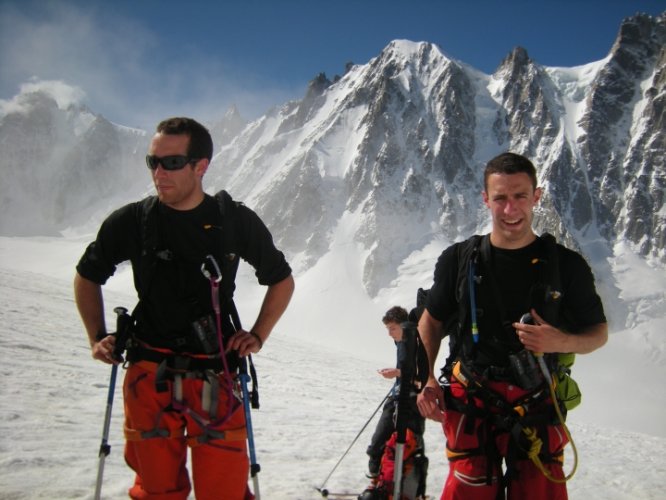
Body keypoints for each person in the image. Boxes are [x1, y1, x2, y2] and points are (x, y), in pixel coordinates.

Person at [74, 117, 295, 500]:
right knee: (157, 490)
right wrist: (96, 337)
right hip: (149, 372)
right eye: (152, 162)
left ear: (200, 166)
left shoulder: (234, 221)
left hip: (214, 370)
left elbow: (281, 279)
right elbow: (87, 275)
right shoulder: (133, 220)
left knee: (223, 491)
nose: (159, 173)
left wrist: (258, 335)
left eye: (171, 163)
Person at [416, 152, 607, 500]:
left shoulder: (567, 266)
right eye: (500, 198)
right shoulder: (459, 259)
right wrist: (426, 377)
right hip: (472, 397)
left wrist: (558, 341)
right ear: (485, 199)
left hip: (537, 401)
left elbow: (597, 334)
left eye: (520, 196)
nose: (510, 209)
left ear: (537, 196)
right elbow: (431, 320)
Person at [363, 306, 426, 492]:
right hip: (398, 397)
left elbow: (421, 377)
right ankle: (379, 483)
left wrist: (397, 372)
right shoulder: (401, 343)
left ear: (403, 326)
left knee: (410, 447)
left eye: (392, 328)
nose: (390, 334)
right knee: (380, 443)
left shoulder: (415, 342)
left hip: (411, 401)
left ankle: (408, 490)